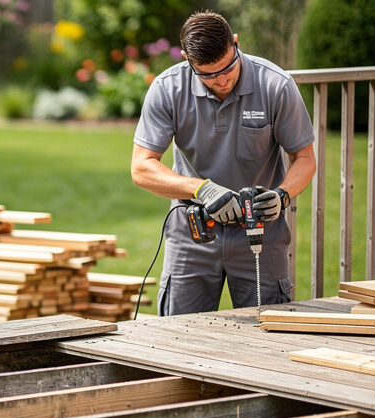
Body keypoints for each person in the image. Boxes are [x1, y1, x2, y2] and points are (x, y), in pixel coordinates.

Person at [131, 10, 317, 315]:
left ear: (235, 42)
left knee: (269, 337)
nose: (222, 79)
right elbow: (141, 167)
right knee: (179, 338)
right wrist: (200, 189)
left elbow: (305, 158)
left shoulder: (275, 85)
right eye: (207, 74)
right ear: (186, 58)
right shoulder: (167, 88)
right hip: (193, 233)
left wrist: (282, 195)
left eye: (228, 67)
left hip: (260, 233)